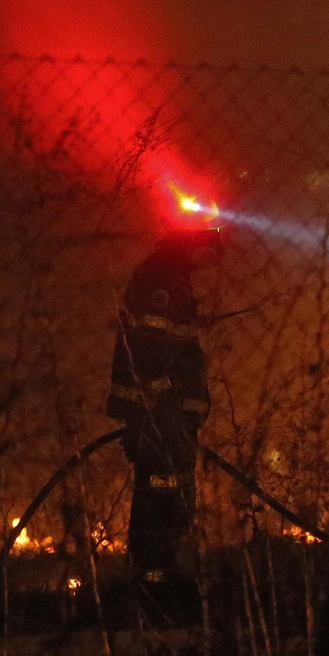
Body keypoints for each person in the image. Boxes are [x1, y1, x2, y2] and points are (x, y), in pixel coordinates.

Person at [106, 227, 222, 610]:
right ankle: (157, 583)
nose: (207, 266)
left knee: (165, 492)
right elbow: (151, 349)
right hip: (160, 418)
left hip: (165, 418)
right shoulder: (164, 280)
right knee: (162, 493)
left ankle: (159, 578)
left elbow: (171, 345)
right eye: (207, 255)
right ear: (195, 247)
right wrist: (164, 407)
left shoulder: (169, 278)